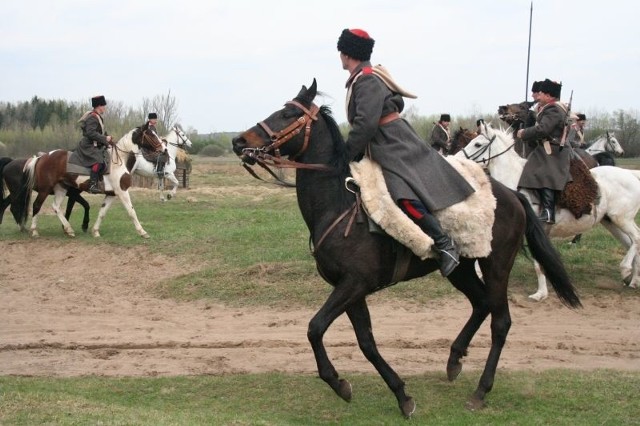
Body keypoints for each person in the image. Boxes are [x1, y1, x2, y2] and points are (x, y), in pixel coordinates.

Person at [337, 28, 475, 277]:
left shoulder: (367, 79)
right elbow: (394, 102)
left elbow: (366, 124)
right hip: (385, 142)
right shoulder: (366, 76)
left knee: (402, 195)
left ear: (347, 54)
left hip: (392, 144)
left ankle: (444, 244)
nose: (339, 56)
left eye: (341, 51)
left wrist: (345, 153)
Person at [516, 79, 571, 224]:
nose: (538, 96)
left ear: (549, 95)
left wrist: (524, 133)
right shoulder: (550, 107)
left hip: (552, 151)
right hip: (546, 148)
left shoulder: (553, 109)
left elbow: (543, 129)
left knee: (544, 173)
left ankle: (548, 211)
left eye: (541, 93)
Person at [76, 95, 113, 193]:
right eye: (103, 105)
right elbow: (90, 133)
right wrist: (105, 138)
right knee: (99, 160)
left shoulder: (98, 117)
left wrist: (108, 140)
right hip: (88, 145)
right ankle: (92, 185)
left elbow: (99, 133)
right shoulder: (92, 117)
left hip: (95, 144)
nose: (104, 107)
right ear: (98, 106)